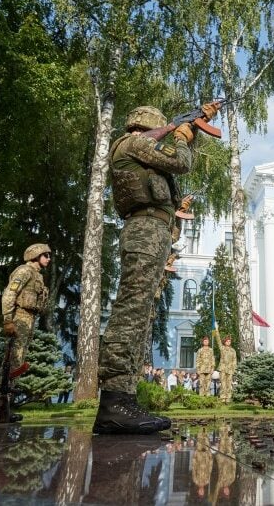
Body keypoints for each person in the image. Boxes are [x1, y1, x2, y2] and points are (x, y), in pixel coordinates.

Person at [94, 104, 212, 434]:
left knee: (139, 312)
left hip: (154, 230)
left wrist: (190, 131)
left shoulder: (142, 149)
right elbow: (180, 162)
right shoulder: (133, 142)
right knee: (131, 311)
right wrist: (182, 138)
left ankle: (124, 398)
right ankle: (114, 402)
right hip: (144, 230)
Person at [0, 243, 51, 423]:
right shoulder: (24, 271)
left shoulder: (37, 276)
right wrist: (8, 319)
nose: (48, 259)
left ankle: (5, 406)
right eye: (45, 255)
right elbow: (9, 294)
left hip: (29, 319)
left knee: (17, 362)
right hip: (19, 317)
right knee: (11, 360)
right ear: (35, 255)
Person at [217, 335, 237, 404]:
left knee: (229, 384)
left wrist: (234, 369)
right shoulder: (222, 348)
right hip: (222, 369)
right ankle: (222, 398)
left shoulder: (233, 350)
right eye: (227, 341)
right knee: (223, 384)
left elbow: (234, 360)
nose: (228, 342)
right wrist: (216, 331)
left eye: (229, 341)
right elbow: (218, 341)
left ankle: (228, 398)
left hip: (230, 369)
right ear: (224, 342)